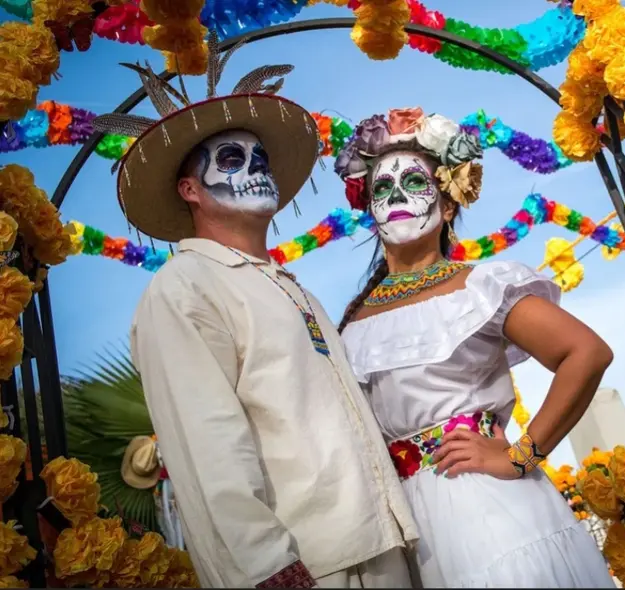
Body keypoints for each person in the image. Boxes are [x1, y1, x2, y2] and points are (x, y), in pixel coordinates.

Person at [93, 41, 418, 589]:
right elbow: (205, 438)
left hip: (377, 539)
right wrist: (265, 562)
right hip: (305, 564)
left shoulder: (293, 290)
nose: (253, 169)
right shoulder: (183, 285)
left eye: (260, 159)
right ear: (188, 188)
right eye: (230, 159)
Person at [334, 107, 617, 588]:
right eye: (382, 188)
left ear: (447, 206)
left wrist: (519, 456)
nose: (397, 196)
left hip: (488, 512)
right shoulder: (351, 321)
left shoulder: (480, 286)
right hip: (407, 531)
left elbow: (586, 353)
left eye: (415, 184)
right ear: (370, 210)